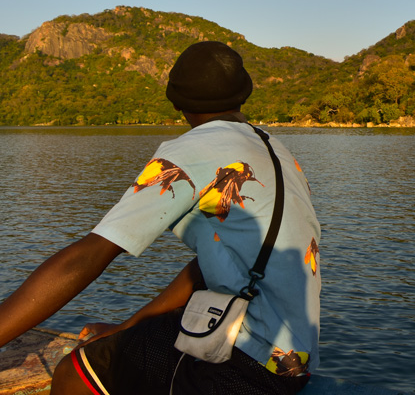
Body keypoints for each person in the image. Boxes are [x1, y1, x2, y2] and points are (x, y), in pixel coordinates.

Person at [0, 41, 321, 395]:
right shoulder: (276, 151)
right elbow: (212, 265)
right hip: (294, 362)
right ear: (244, 95)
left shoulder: (188, 152)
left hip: (245, 364)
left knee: (77, 372)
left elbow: (89, 255)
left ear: (175, 102)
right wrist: (129, 327)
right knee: (126, 346)